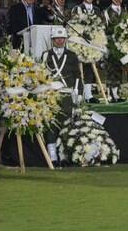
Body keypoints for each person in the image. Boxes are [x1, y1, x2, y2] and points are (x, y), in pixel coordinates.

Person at [40, 26, 80, 164]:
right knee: (51, 124)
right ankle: (53, 155)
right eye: (57, 39)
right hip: (51, 95)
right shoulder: (46, 55)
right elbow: (41, 76)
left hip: (67, 95)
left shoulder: (72, 56)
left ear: (65, 39)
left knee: (67, 124)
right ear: (52, 40)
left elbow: (77, 77)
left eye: (62, 38)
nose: (59, 41)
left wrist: (78, 93)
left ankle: (64, 155)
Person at [71, 0, 103, 104]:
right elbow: (74, 25)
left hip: (92, 43)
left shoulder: (97, 10)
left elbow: (100, 25)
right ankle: (79, 93)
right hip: (80, 42)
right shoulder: (76, 9)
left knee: (90, 68)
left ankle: (89, 95)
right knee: (79, 69)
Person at [103, 0, 126, 103]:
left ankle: (116, 93)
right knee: (110, 70)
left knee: (118, 69)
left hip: (121, 46)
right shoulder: (107, 12)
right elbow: (103, 30)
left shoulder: (124, 11)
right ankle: (110, 94)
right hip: (110, 44)